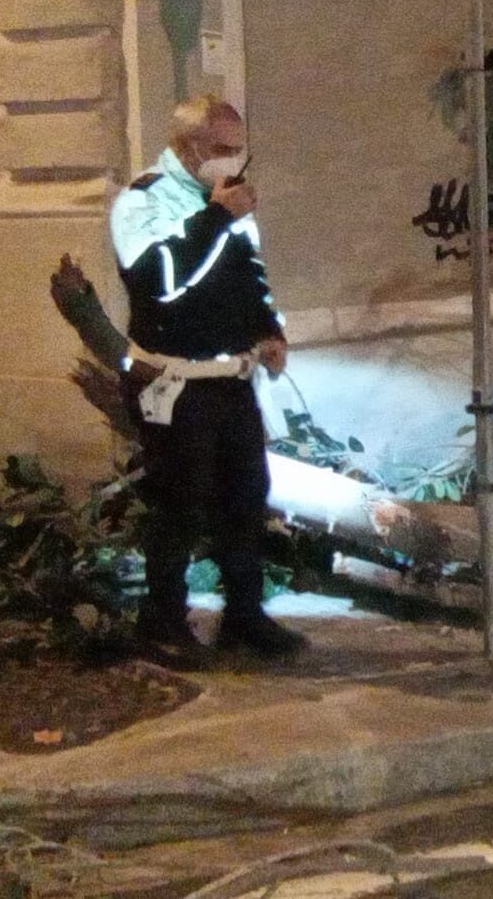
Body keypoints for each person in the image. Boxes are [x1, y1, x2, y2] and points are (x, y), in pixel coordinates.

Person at [110, 94, 306, 660]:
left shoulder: (226, 199)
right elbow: (157, 281)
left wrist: (269, 329)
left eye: (239, 150)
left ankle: (244, 615)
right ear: (188, 145)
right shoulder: (144, 200)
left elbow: (249, 274)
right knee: (178, 504)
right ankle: (162, 621)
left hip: (230, 378)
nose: (233, 160)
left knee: (246, 499)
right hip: (174, 382)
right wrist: (217, 216)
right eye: (222, 148)